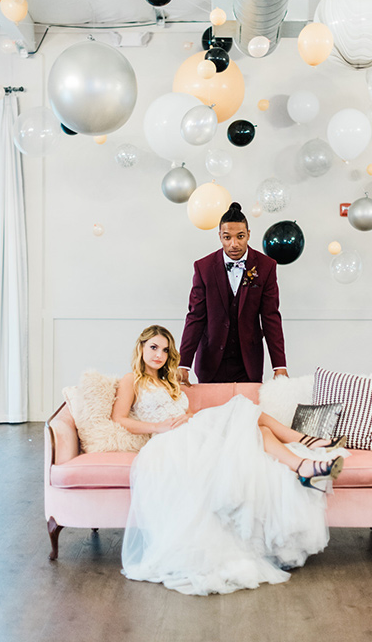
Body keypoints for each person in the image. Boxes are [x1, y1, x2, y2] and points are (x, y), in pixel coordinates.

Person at [112, 324, 346, 596]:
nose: (159, 355)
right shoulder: (131, 380)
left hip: (191, 430)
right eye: (153, 347)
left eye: (165, 350)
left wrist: (187, 417)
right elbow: (120, 419)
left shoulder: (170, 381)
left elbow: (185, 413)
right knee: (247, 413)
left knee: (260, 428)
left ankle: (304, 465)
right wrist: (160, 427)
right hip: (169, 442)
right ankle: (306, 444)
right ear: (141, 348)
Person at [178, 202, 287, 385]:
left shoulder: (266, 266)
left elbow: (271, 317)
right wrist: (184, 364)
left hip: (248, 364)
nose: (234, 244)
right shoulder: (203, 268)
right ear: (220, 236)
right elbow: (195, 317)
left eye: (240, 236)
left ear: (248, 235)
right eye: (227, 237)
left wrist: (279, 366)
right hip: (210, 361)